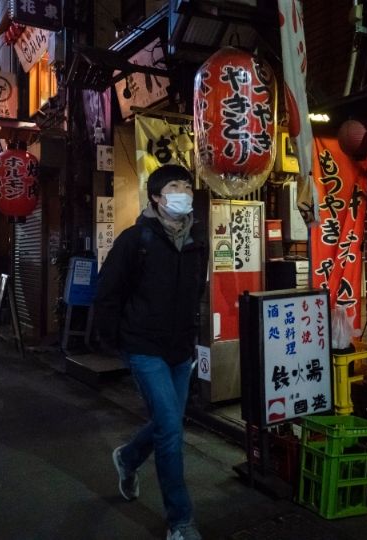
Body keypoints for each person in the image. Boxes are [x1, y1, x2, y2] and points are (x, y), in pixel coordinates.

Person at [94, 164, 206, 540]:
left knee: (166, 422)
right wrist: (113, 341)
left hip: (180, 348)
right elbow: (107, 291)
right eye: (175, 186)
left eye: (187, 186)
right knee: (171, 431)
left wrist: (193, 338)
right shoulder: (135, 239)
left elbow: (195, 294)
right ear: (157, 197)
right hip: (143, 346)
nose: (184, 192)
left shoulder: (196, 241)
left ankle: (127, 458)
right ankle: (180, 521)